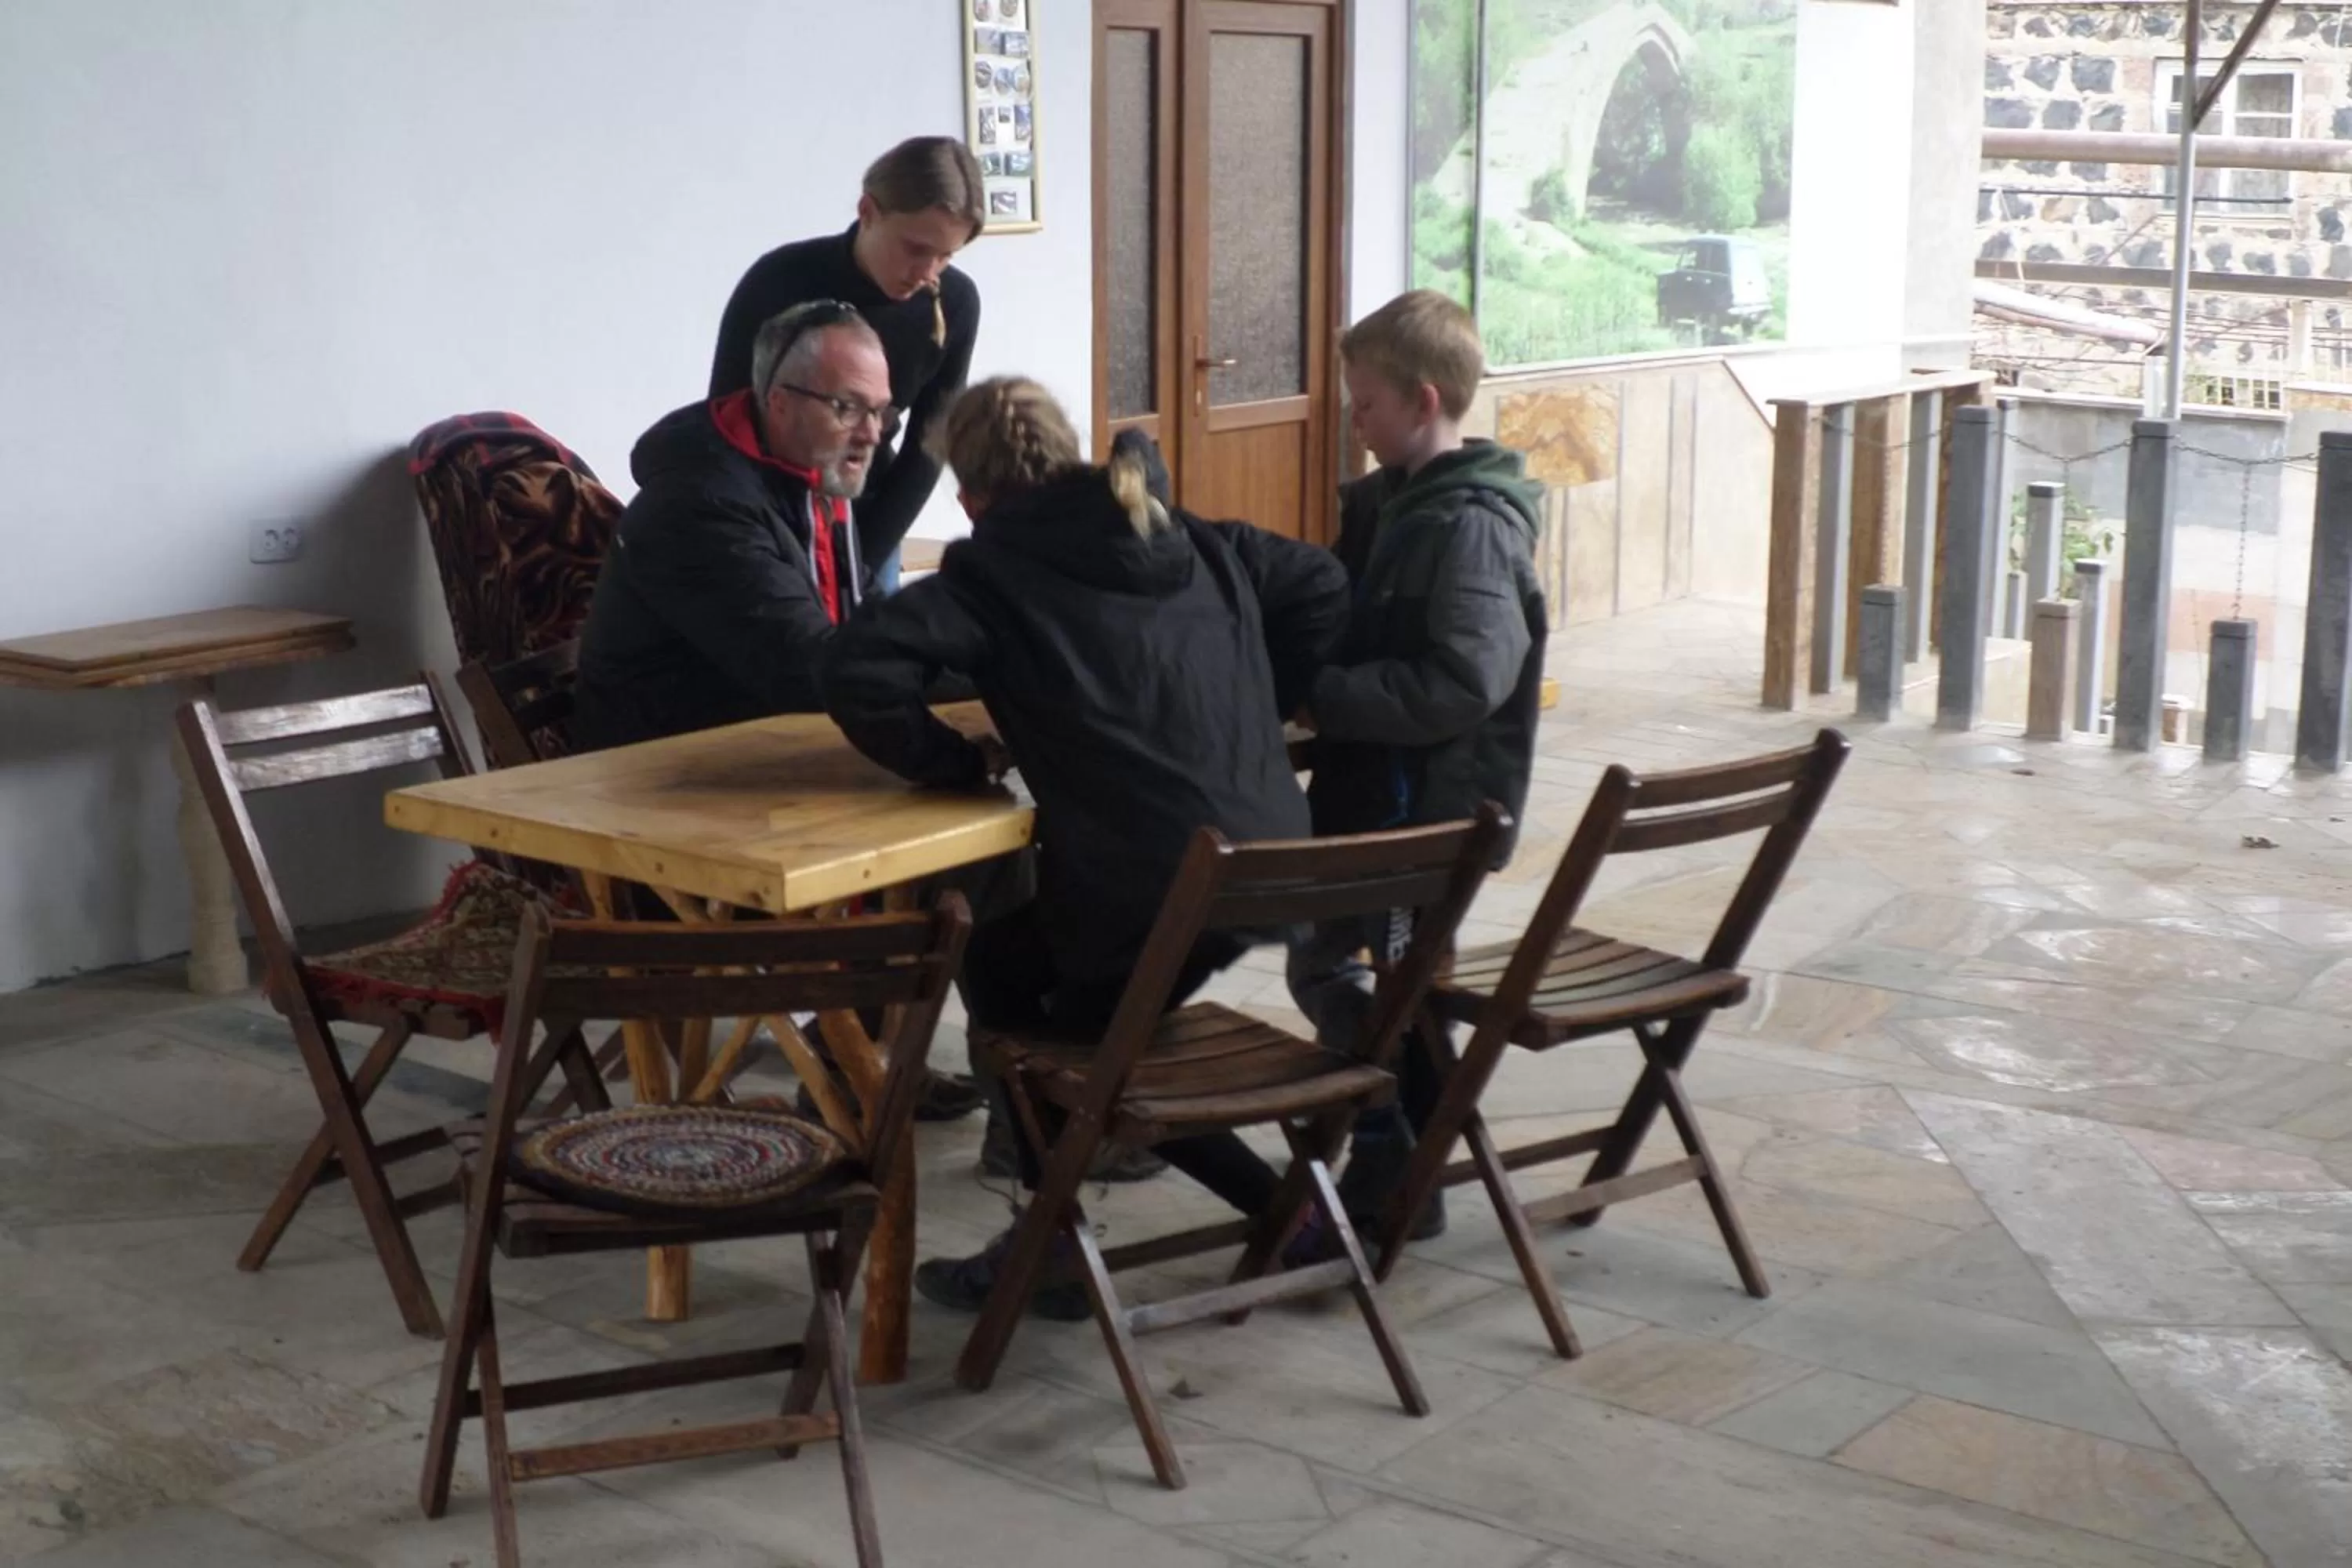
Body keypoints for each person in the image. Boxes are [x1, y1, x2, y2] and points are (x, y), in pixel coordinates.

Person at [823, 379, 1349, 1319]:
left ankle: (1230, 1214)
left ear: (969, 494)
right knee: (1058, 1011)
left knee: (1050, 1033)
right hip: (1269, 861)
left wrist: (950, 760)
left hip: (1154, 879)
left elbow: (855, 665)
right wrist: (1252, 710)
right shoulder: (1183, 535)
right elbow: (1319, 579)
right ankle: (1059, 1229)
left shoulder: (992, 574)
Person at [1285, 289, 1548, 1251]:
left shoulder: (1470, 522)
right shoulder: (1393, 503)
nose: (1352, 419)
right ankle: (1404, 1146)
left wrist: (1329, 696)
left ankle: (1395, 1161)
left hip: (1425, 810)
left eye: (1363, 402)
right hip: (1379, 796)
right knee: (1337, 963)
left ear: (1423, 400)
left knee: (1374, 975)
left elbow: (1464, 680)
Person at [572, 300, 893, 753]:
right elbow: (805, 669)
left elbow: (866, 618)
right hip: (657, 785)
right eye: (849, 408)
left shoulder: (811, 480)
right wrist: (984, 669)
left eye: (880, 411)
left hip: (759, 756)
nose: (872, 433)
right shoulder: (699, 507)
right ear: (779, 403)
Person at [710, 136, 984, 597]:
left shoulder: (955, 301)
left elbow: (930, 445)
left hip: (869, 511)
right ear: (868, 211)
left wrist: (863, 554)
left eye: (947, 255)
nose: (928, 272)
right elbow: (723, 423)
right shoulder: (779, 281)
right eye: (916, 248)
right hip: (765, 513)